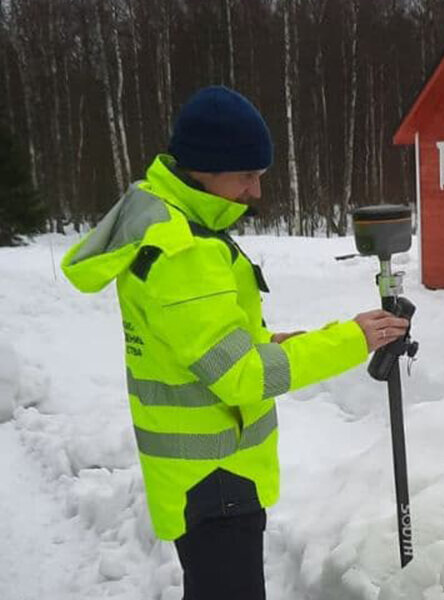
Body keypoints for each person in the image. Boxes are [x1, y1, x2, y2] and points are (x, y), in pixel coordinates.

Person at [61, 85, 408, 600]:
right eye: (247, 176)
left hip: (207, 479)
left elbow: (213, 342)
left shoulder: (180, 225)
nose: (255, 192)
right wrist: (352, 339)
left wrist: (275, 340)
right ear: (205, 166)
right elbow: (240, 375)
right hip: (216, 483)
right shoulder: (183, 254)